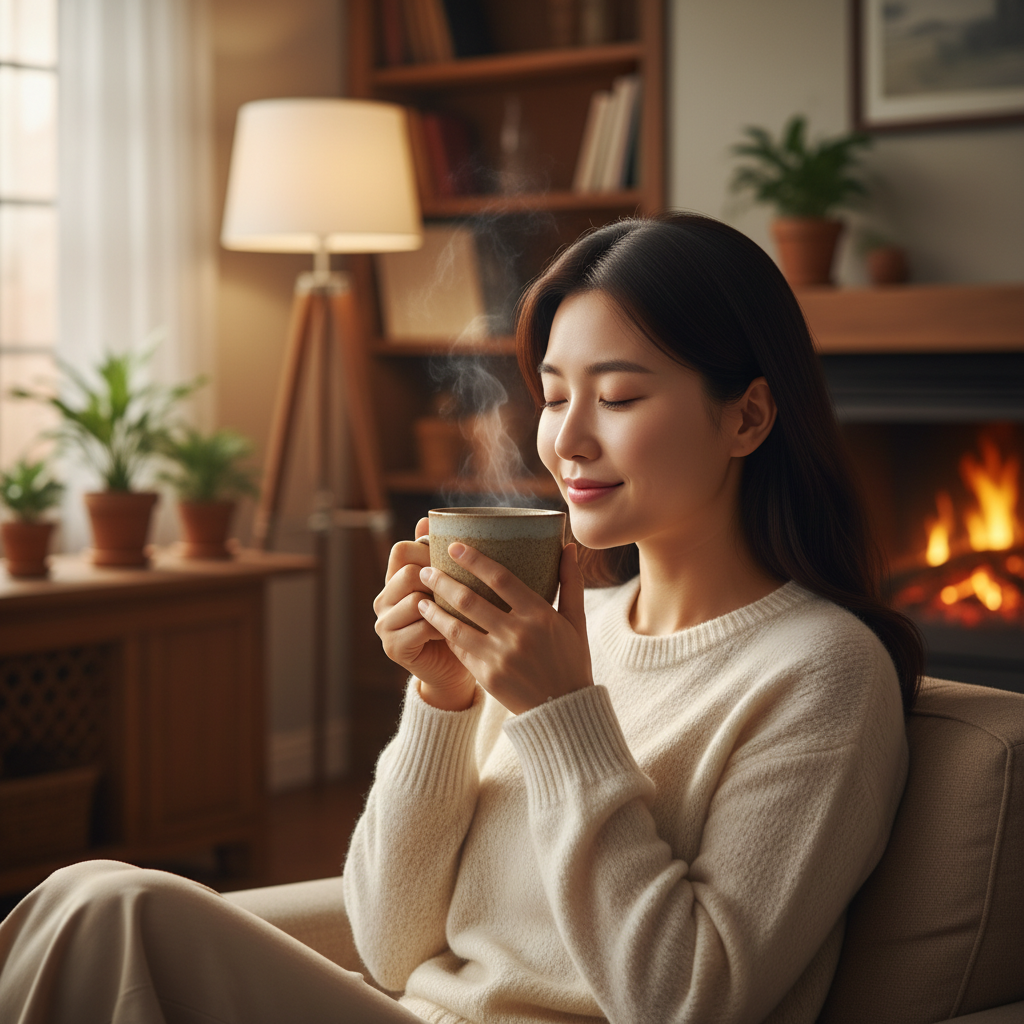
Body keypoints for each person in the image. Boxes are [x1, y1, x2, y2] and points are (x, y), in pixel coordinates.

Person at [0, 213, 920, 1024]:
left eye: (622, 396)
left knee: (105, 910)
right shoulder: (552, 634)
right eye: (555, 395)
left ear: (749, 417)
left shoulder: (821, 670)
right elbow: (388, 944)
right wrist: (441, 704)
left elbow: (682, 1001)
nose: (568, 438)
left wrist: (564, 718)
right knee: (83, 902)